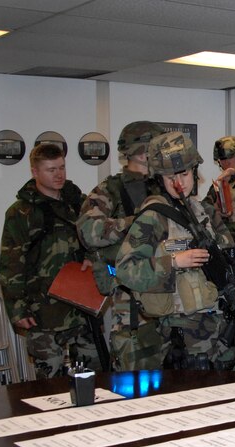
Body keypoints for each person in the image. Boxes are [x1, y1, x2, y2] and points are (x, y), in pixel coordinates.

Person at [116, 131, 235, 369]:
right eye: (170, 176)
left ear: (194, 171)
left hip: (220, 324)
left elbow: (231, 256)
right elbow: (124, 270)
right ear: (159, 178)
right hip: (180, 331)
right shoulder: (153, 217)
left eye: (184, 173)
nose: (179, 183)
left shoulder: (205, 212)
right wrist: (173, 262)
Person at [0, 143, 101, 379]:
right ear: (35, 172)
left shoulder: (79, 204)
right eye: (51, 169)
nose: (59, 174)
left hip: (82, 305)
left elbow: (98, 240)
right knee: (49, 382)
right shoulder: (21, 212)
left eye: (62, 167)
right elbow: (11, 263)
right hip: (43, 308)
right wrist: (17, 308)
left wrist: (91, 258)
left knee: (93, 377)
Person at [77, 120, 166, 370]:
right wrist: (136, 222)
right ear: (141, 151)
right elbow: (88, 231)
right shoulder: (111, 189)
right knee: (136, 372)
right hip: (132, 303)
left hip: (170, 293)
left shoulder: (164, 185)